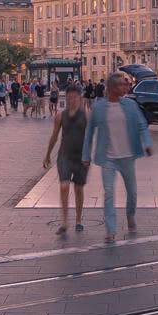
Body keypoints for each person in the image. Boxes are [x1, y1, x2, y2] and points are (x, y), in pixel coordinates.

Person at [82, 72, 152, 243]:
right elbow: (89, 132)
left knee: (133, 193)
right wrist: (86, 156)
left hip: (127, 156)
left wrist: (147, 142)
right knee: (109, 193)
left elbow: (142, 125)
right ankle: (111, 230)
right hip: (108, 158)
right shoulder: (99, 108)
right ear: (113, 88)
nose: (126, 87)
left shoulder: (130, 105)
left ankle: (130, 215)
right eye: (122, 84)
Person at [43, 86, 90, 235]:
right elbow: (54, 136)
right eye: (69, 97)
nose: (72, 100)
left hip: (81, 157)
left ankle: (78, 220)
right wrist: (47, 154)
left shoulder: (87, 115)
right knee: (64, 186)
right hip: (64, 156)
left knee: (78, 188)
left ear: (80, 98)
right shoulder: (60, 116)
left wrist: (88, 156)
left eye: (75, 97)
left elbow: (91, 137)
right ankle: (64, 222)